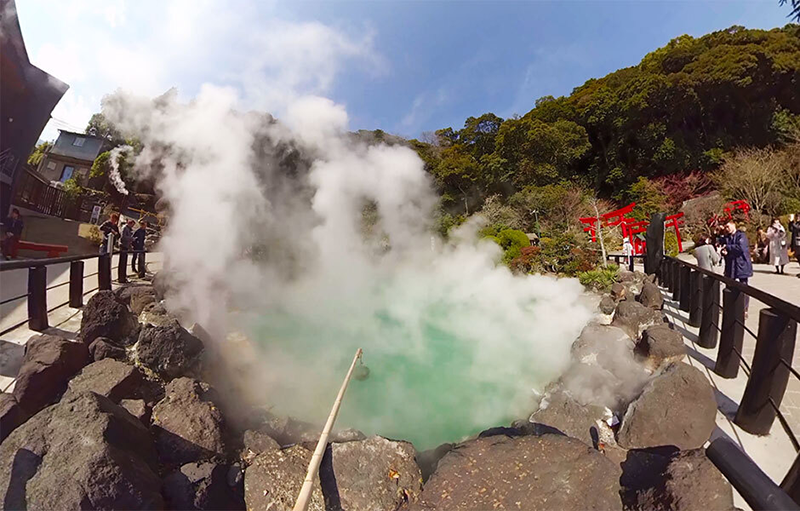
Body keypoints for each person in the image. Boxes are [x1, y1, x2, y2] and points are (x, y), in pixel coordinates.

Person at [720, 219, 753, 310]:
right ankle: (729, 305)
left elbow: (740, 248)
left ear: (733, 225)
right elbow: (721, 244)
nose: (727, 229)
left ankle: (744, 308)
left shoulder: (741, 236)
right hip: (731, 264)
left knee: (743, 286)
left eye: (728, 226)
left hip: (741, 263)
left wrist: (727, 247)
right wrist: (724, 252)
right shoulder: (727, 237)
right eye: (725, 227)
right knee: (729, 284)